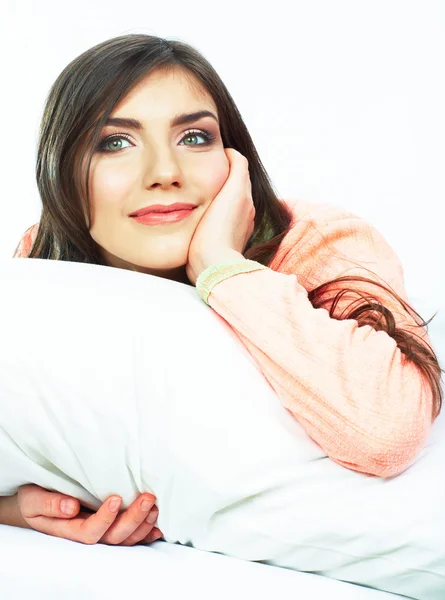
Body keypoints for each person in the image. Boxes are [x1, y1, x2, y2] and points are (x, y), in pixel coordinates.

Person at [1, 33, 443, 547]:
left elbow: (385, 431)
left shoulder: (320, 241)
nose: (165, 173)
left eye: (193, 138)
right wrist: (15, 508)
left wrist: (221, 268)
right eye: (114, 142)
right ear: (60, 171)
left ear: (235, 158)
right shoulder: (43, 261)